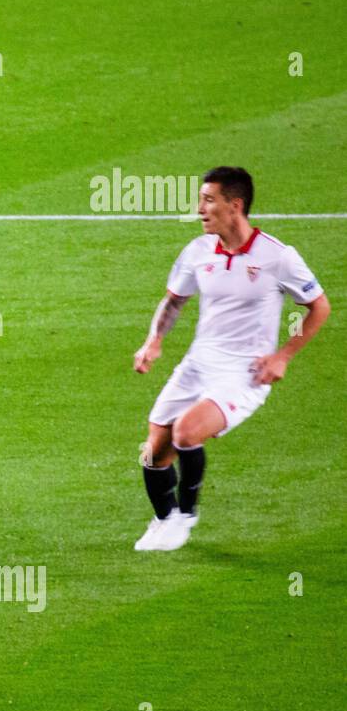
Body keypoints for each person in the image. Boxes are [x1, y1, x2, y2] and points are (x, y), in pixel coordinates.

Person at [133, 167, 329, 551]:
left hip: (243, 374)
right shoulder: (197, 251)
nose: (200, 209)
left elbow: (319, 307)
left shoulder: (278, 257)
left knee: (186, 432)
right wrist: (153, 341)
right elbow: (174, 300)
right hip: (197, 364)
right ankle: (164, 518)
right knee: (154, 452)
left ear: (234, 205)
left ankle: (186, 517)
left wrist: (284, 356)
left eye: (209, 200)